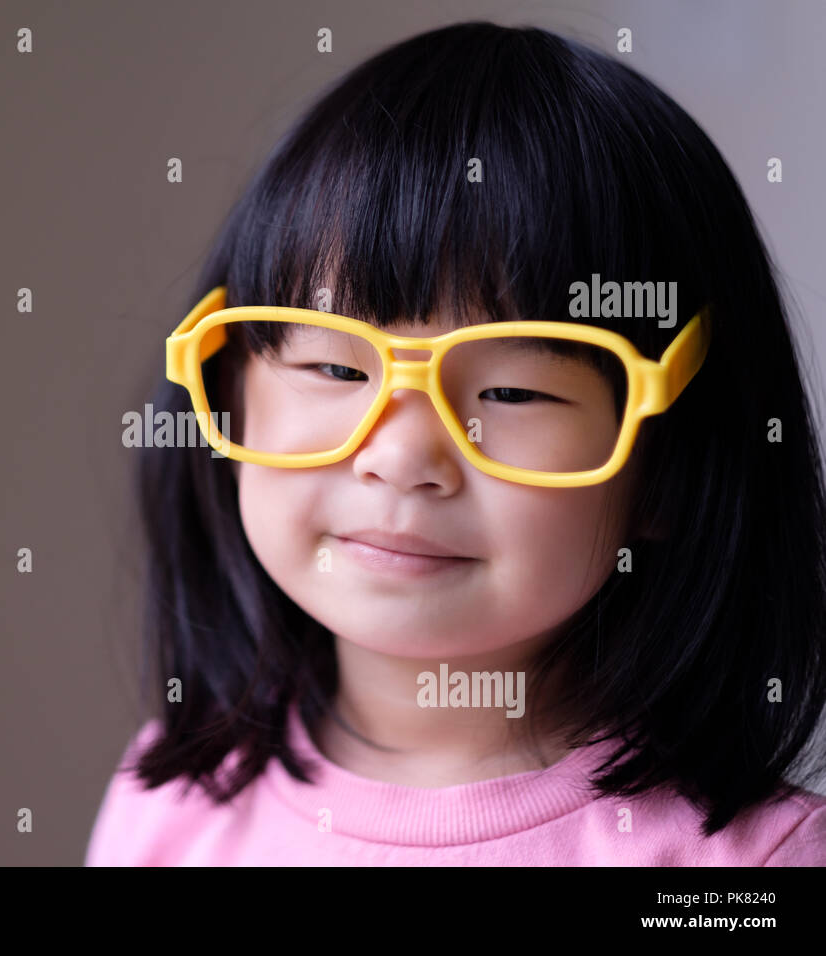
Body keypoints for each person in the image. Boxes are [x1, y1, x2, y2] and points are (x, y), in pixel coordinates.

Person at [86, 21, 826, 865]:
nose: (400, 457)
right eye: (333, 368)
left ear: (670, 466)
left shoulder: (745, 863)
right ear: (229, 396)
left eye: (512, 391)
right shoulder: (174, 802)